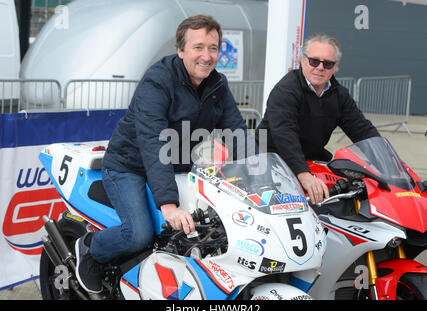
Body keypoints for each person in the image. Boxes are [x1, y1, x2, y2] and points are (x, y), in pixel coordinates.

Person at [74, 14, 247, 293]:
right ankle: (90, 247)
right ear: (181, 50)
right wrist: (168, 204)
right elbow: (154, 143)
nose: (207, 56)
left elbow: (238, 133)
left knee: (206, 231)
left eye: (213, 48)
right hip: (128, 166)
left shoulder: (217, 85)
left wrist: (259, 181)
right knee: (138, 235)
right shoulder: (158, 80)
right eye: (198, 47)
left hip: (177, 167)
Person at [255, 33, 379, 204]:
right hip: (269, 158)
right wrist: (304, 174)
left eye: (328, 63)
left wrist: (390, 165)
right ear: (303, 61)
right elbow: (284, 133)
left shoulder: (339, 95)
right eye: (314, 61)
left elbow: (362, 130)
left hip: (309, 158)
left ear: (335, 68)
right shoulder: (286, 90)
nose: (320, 67)